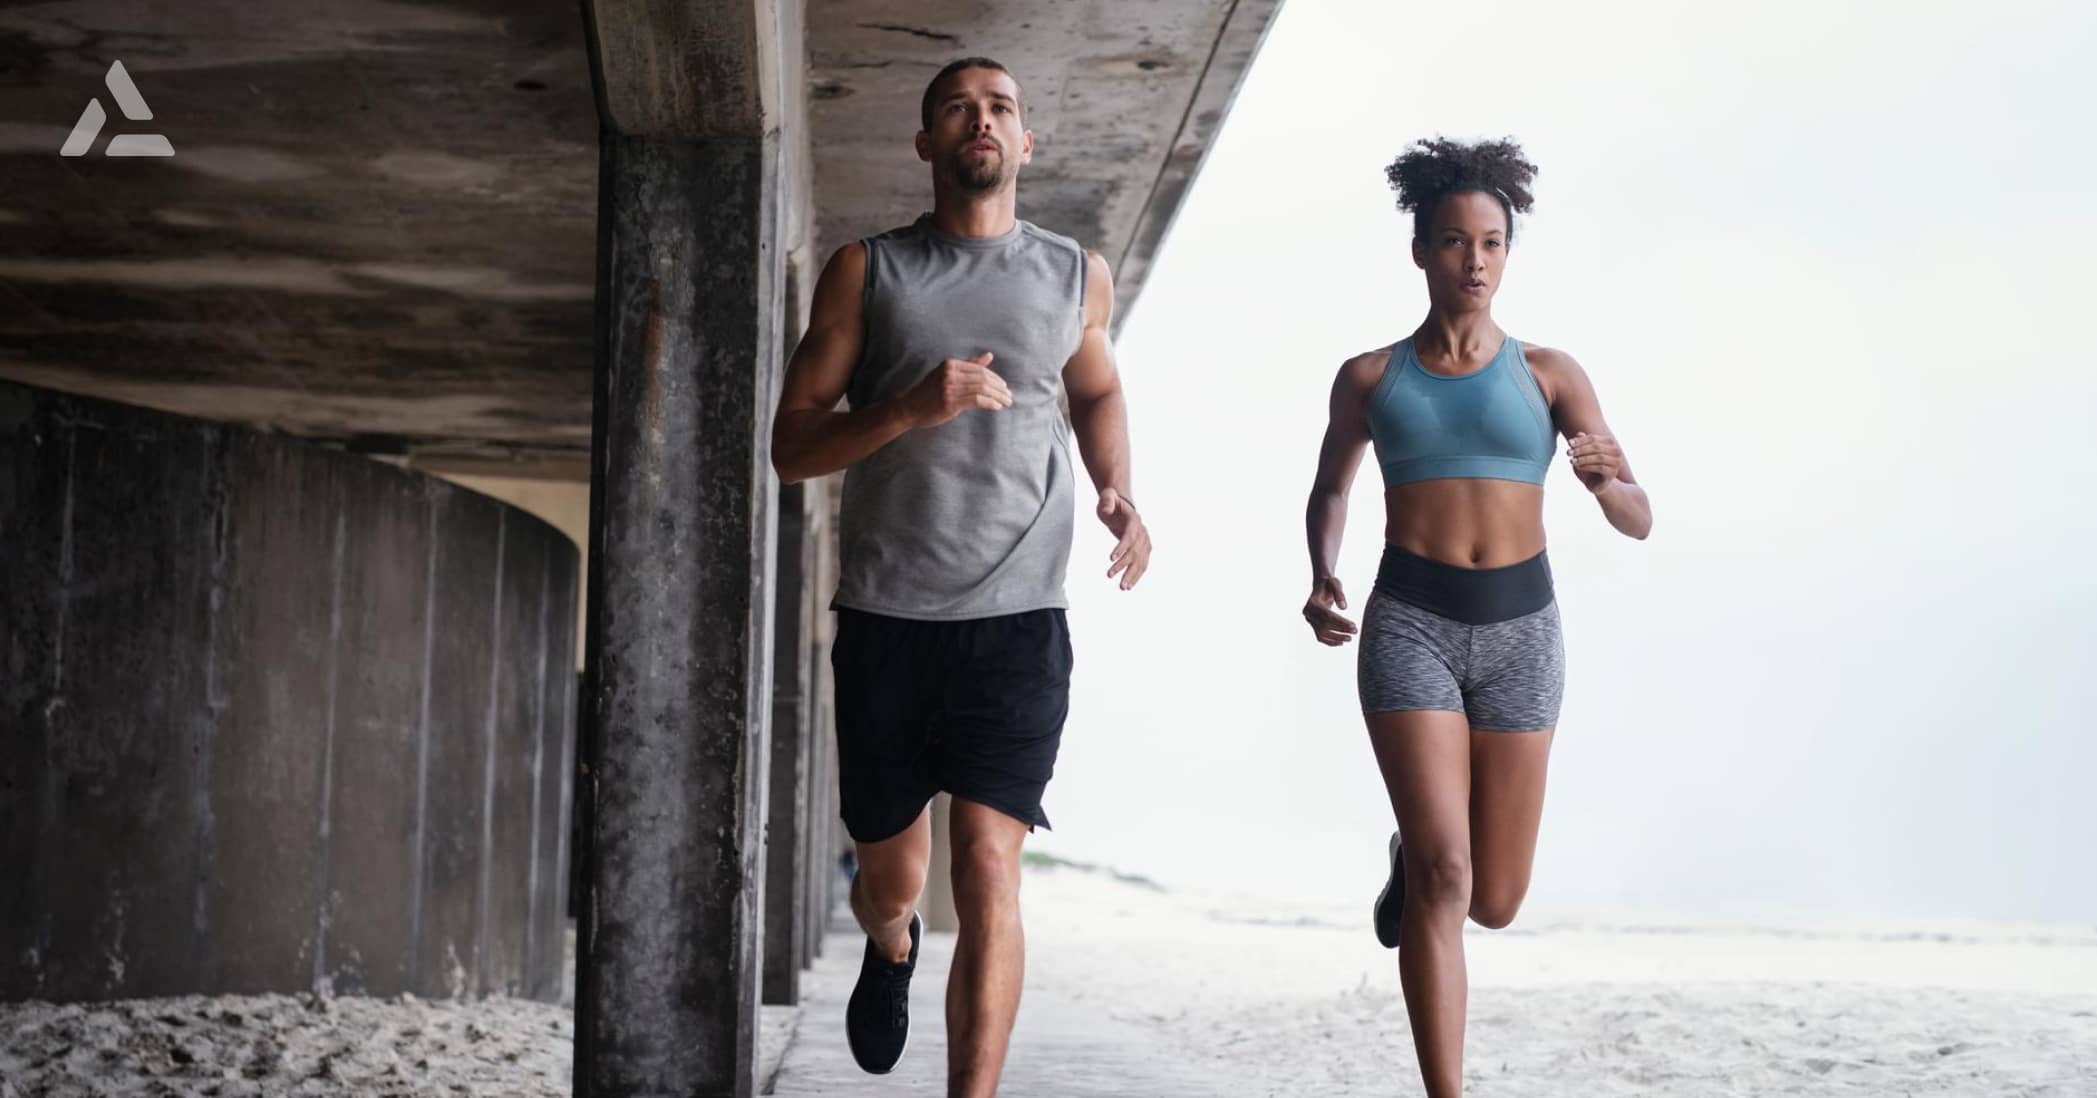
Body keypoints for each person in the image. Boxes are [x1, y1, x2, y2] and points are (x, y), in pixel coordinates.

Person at [770, 56, 1151, 1098]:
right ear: (928, 144)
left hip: (1020, 620)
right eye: (957, 109)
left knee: (987, 867)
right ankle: (890, 947)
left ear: (1026, 143)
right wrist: (906, 407)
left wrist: (1116, 485)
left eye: (1001, 109)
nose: (981, 121)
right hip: (890, 618)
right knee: (892, 883)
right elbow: (790, 448)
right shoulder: (869, 271)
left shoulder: (1077, 273)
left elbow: (1099, 389)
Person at [1300, 136, 1652, 1096]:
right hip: (1409, 621)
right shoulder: (1371, 378)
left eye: (1491, 243)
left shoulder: (1550, 374)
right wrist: (1321, 574)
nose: (1474, 260)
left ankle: (1407, 854)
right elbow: (1331, 488)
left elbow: (1637, 519)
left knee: (1493, 900)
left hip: (1521, 634)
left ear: (1508, 253)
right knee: (1446, 880)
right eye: (1454, 242)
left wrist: (1604, 480)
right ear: (1420, 251)